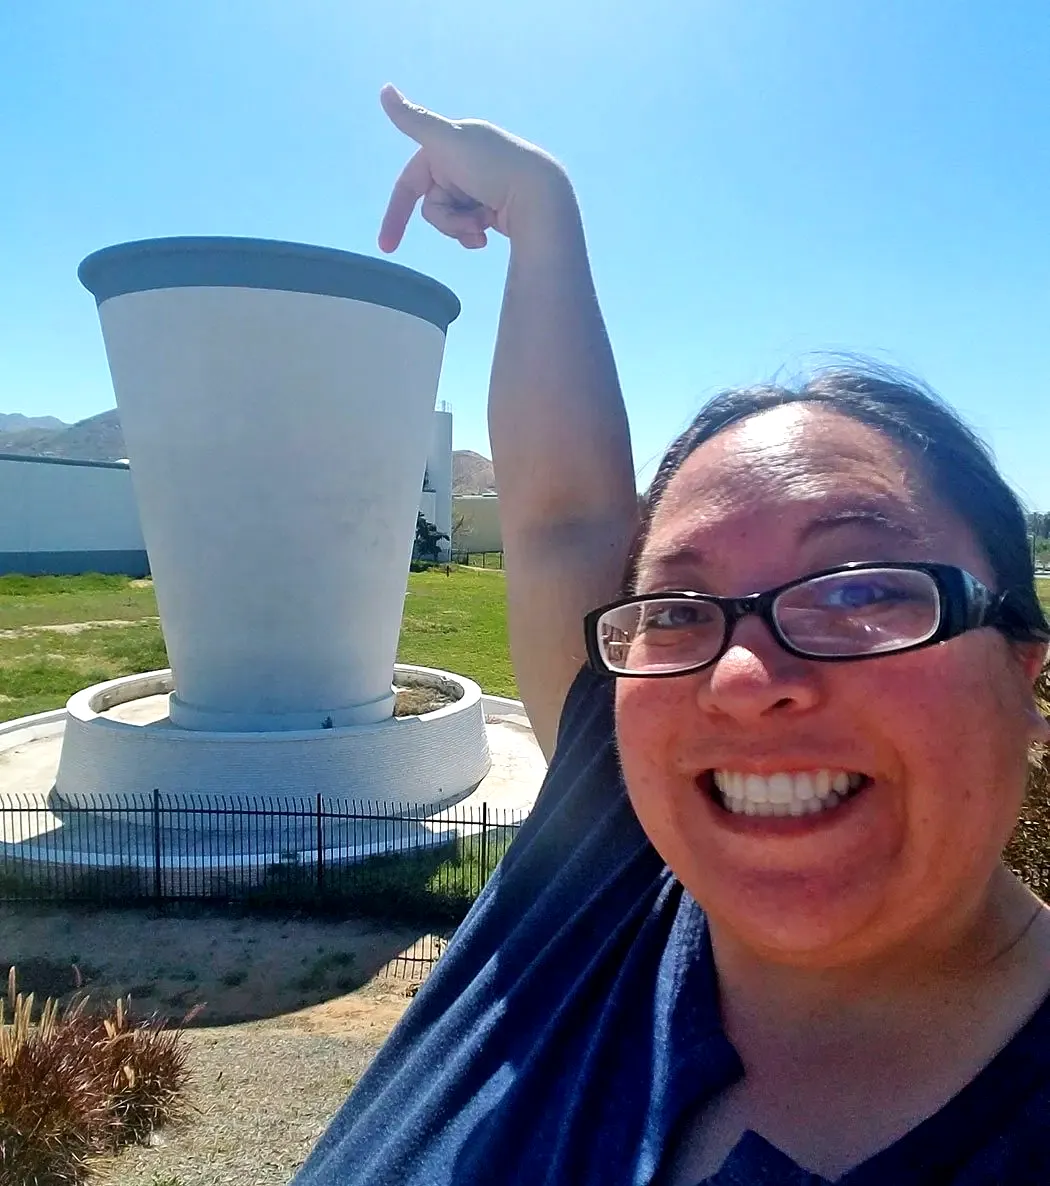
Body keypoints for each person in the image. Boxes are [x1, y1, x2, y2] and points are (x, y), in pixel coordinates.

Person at [291, 87, 1050, 1185]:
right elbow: (564, 522)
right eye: (681, 608)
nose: (741, 676)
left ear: (1023, 675)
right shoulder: (606, 860)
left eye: (855, 587)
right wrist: (537, 206)